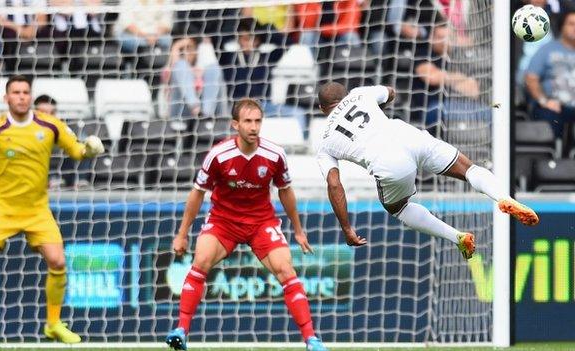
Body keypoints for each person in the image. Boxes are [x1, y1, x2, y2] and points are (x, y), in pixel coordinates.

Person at [0, 75, 105, 343]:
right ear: (6, 98)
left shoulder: (51, 125)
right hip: (1, 210)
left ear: (30, 97)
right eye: (16, 92)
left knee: (58, 260)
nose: (21, 96)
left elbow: (77, 151)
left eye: (25, 92)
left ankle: (53, 324)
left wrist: (89, 150)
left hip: (37, 211)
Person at [165, 98, 328, 351]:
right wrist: (182, 234)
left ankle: (312, 340)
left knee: (287, 271)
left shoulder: (274, 155)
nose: (253, 127)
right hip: (223, 221)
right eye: (248, 121)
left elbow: (285, 190)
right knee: (200, 263)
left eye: (258, 121)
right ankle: (181, 331)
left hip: (261, 222)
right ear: (235, 124)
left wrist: (298, 230)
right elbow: (197, 193)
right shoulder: (218, 155)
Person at [316, 82, 539, 259]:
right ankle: (504, 197)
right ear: (344, 95)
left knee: (398, 208)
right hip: (409, 136)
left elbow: (334, 184)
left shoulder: (324, 141)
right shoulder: (360, 94)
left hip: (388, 162)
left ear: (322, 109)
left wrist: (347, 228)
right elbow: (391, 92)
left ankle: (457, 237)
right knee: (469, 169)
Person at [525, 6, 575, 138]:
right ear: (562, 26)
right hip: (553, 106)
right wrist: (544, 101)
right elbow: (531, 78)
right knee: (549, 116)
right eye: (571, 24)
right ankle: (551, 156)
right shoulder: (547, 49)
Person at [33, 94, 91, 188]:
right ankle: (52, 179)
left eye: (52, 113)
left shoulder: (63, 127)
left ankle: (80, 181)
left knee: (85, 144)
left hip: (65, 166)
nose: (48, 116)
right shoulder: (28, 129)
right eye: (43, 113)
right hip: (40, 168)